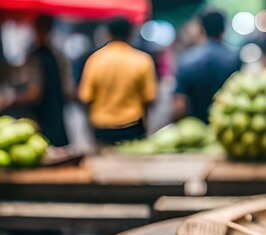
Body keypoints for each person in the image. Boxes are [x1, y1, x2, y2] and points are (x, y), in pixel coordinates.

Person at [79, 17, 157, 145]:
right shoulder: (143, 60)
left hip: (102, 130)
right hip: (133, 128)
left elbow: (86, 97)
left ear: (108, 33)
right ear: (130, 33)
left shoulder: (95, 60)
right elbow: (149, 98)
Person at [0, 15, 71, 146]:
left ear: (37, 28)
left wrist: (10, 100)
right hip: (58, 120)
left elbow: (34, 93)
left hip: (42, 121)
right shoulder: (58, 55)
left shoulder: (36, 57)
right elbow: (67, 90)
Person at [173, 10, 241, 122]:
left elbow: (180, 104)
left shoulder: (187, 58)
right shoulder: (234, 58)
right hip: (225, 124)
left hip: (194, 127)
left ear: (202, 29)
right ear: (224, 30)